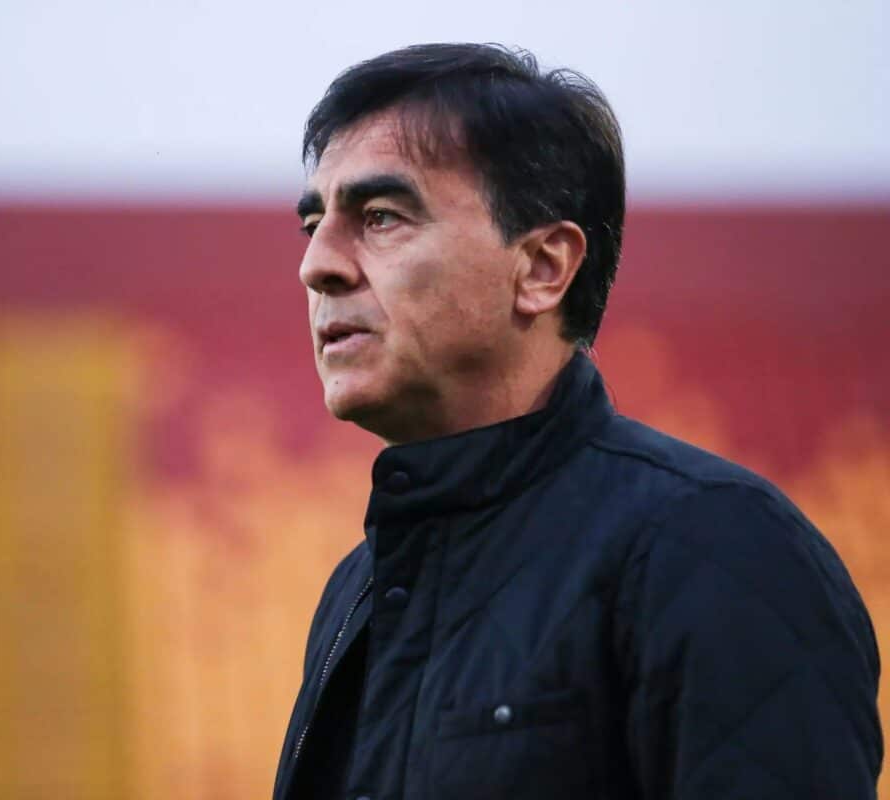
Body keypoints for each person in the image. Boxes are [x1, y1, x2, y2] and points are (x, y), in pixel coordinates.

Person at [272, 43, 881, 800]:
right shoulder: (358, 589)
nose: (317, 265)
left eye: (381, 217)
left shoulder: (717, 549)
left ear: (543, 267)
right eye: (313, 223)